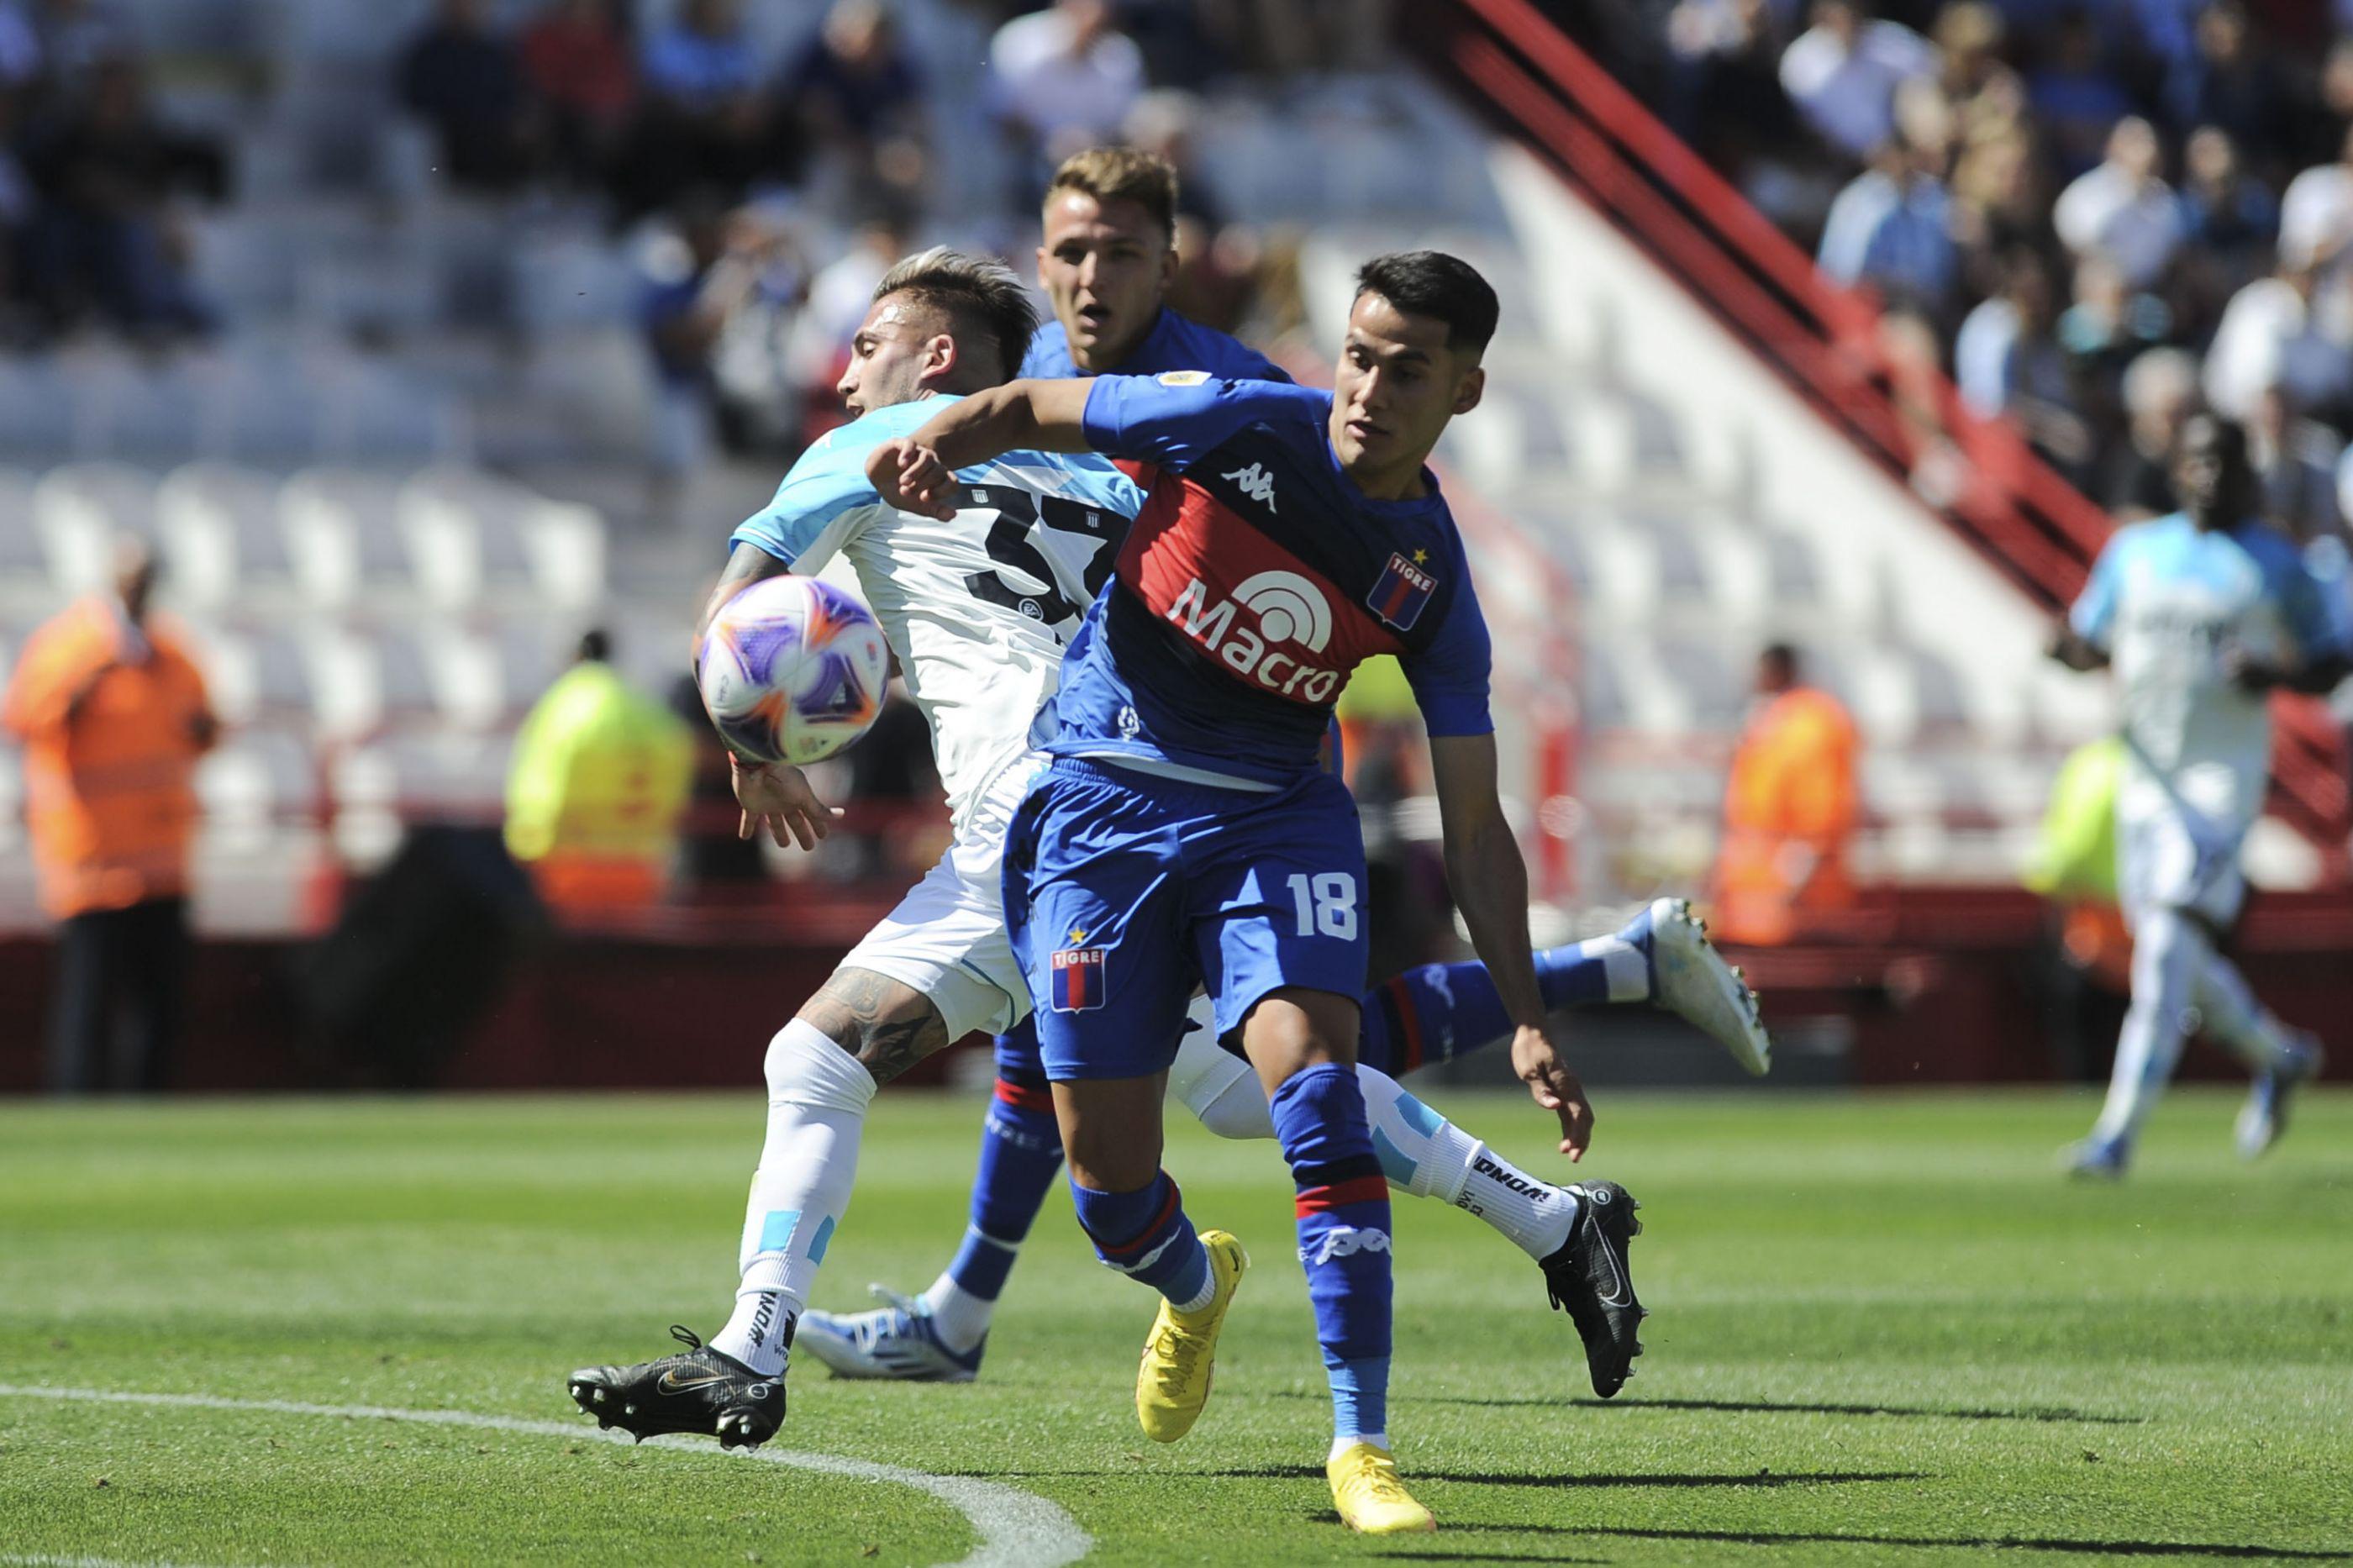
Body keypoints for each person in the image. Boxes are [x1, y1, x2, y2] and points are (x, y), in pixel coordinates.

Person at [564, 246, 1763, 1505]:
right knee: (1257, 1087)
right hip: (1094, 819)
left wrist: (752, 735)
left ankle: (786, 1341)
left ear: (930, 360)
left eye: (866, 346)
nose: (845, 372)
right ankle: (1565, 1148)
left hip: (1068, 822)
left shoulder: (867, 448)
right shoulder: (1112, 456)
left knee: (894, 1065)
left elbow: (737, 614)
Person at [798, 149, 1767, 1402]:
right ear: (1040, 259)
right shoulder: (1034, 377)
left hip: (1238, 793)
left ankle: (999, 1318)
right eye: (1070, 250)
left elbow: (1350, 670)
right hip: (1086, 780)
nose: (1091, 276)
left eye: (1121, 251)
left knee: (1280, 1069)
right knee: (1148, 1060)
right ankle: (1606, 1010)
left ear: (1171, 261)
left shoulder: (1245, 398)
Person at [861, 251, 1624, 1534]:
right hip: (1101, 804)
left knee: (1316, 1089)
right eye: (1361, 354)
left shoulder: (1429, 579)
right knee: (1108, 1188)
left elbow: (1478, 824)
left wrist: (1527, 1008)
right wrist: (944, 432)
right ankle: (1191, 1281)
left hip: (1275, 819)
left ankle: (1363, 1447)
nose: (1369, 388)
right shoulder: (1239, 422)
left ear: (1467, 391)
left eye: (1408, 369)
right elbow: (1042, 409)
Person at [2049, 415, 2345, 1176]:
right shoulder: (2135, 553)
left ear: (2249, 472)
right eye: (2197, 462)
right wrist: (2067, 651)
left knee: (2167, 950)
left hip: (2218, 784)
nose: (2210, 476)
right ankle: (2279, 1055)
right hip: (2144, 778)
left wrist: (2276, 676)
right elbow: (2093, 641)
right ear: (2176, 471)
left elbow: (2331, 662)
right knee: (2166, 953)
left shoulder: (2276, 564)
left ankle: (2117, 1137)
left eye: (2224, 462)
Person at [2, 537, 217, 1092]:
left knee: (159, 1003)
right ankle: (77, 1105)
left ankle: (151, 1108)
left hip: (162, 858)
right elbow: (27, 717)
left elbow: (204, 726)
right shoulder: (69, 646)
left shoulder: (171, 653)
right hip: (92, 859)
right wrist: (95, 673)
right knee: (89, 998)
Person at [503, 628, 693, 915]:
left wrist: (526, 842)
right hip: (639, 864)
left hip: (570, 864)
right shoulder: (640, 703)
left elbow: (543, 784)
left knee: (575, 956)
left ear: (575, 655)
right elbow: (679, 760)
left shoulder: (564, 704)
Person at [1708, 644, 1860, 946]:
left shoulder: (1809, 724)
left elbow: (1819, 812)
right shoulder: (1780, 719)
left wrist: (1796, 879)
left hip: (1792, 906)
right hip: (1758, 902)